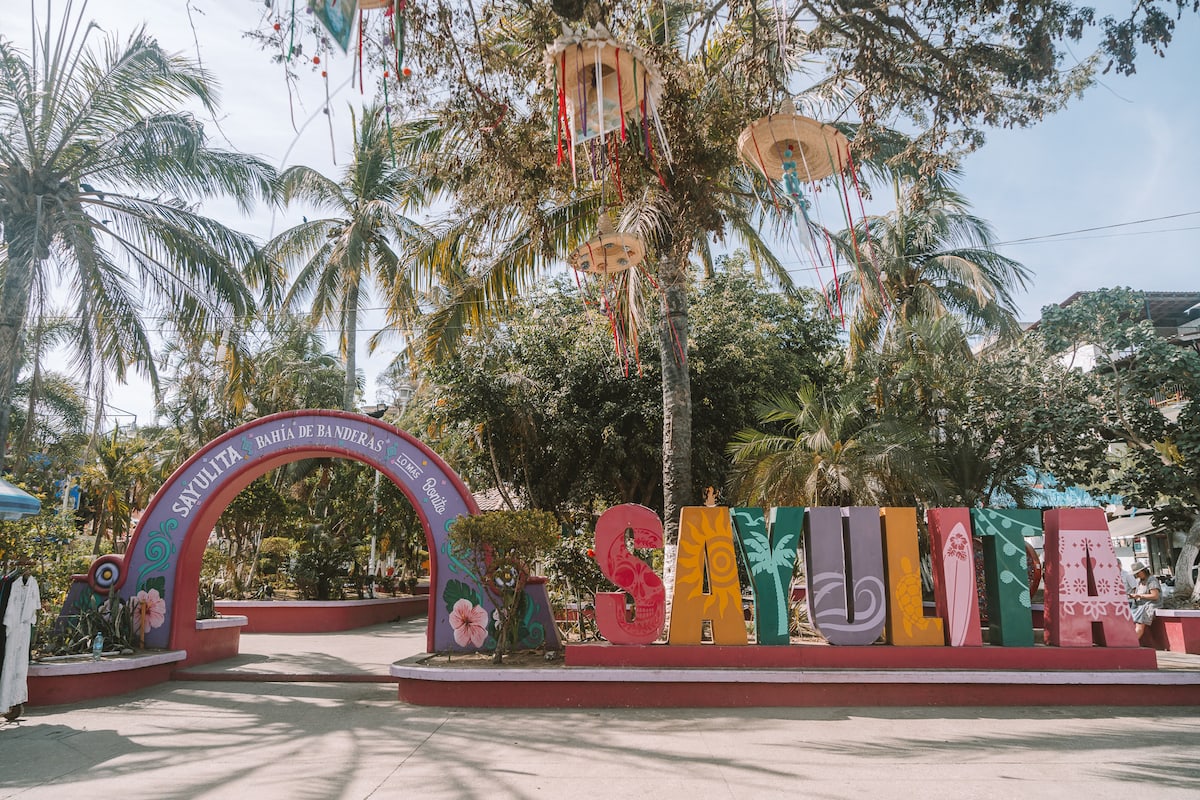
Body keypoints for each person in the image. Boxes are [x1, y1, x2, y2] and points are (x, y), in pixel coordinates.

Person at [1, 562, 39, 721]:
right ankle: (7, 701)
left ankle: (12, 700)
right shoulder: (11, 584)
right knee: (10, 665)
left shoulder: (30, 584)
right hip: (13, 630)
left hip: (20, 631)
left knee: (16, 666)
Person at [1128, 561, 1162, 641]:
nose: (1136, 576)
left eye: (1137, 573)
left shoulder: (1152, 580)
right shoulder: (1140, 581)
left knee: (1139, 626)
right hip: (1139, 604)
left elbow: (1155, 596)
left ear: (1143, 571)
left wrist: (1140, 596)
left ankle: (1133, 643)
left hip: (1149, 604)